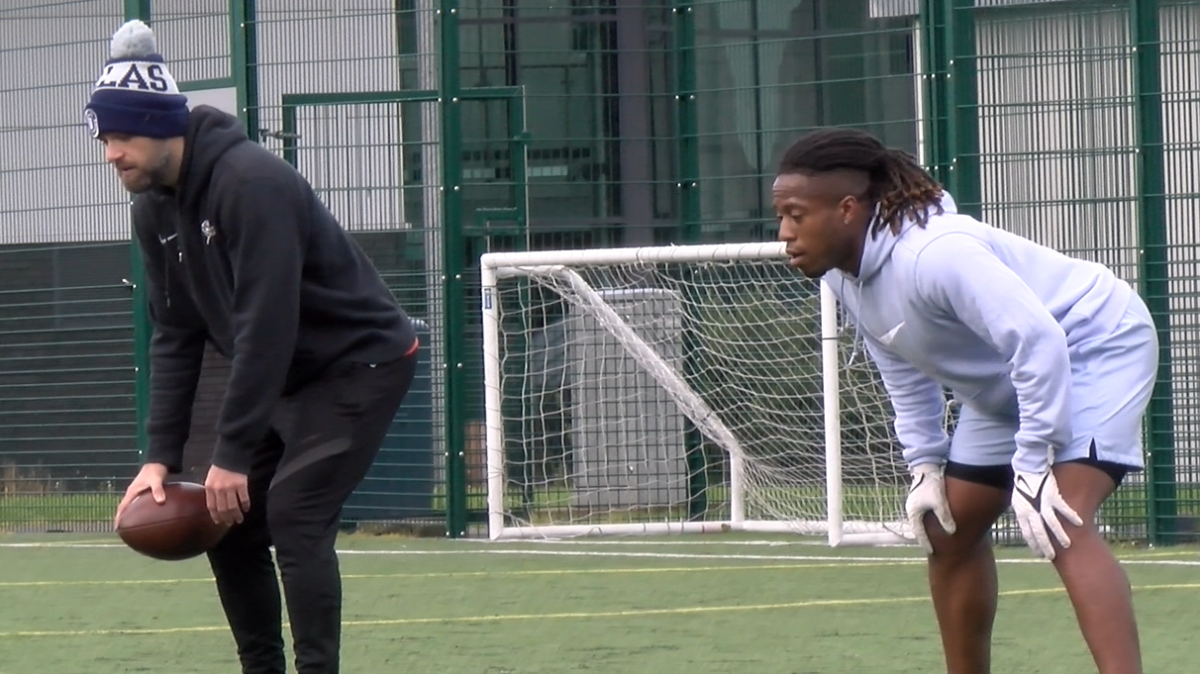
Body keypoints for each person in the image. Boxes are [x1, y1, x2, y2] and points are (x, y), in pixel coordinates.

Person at [89, 20, 420, 674]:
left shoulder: (250, 182)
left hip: (360, 363)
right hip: (288, 372)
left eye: (121, 136)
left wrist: (233, 453)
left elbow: (267, 323)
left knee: (294, 515)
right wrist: (160, 458)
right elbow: (176, 333)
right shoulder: (152, 208)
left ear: (160, 125)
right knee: (227, 517)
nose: (111, 155)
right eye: (103, 140)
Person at [773, 127, 1155, 674]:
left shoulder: (936, 253)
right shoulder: (843, 279)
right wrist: (925, 464)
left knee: (1060, 518)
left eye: (795, 215)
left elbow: (1039, 341)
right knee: (946, 531)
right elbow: (902, 365)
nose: (784, 233)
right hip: (1011, 375)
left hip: (1093, 344)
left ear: (848, 209)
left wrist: (1032, 461)